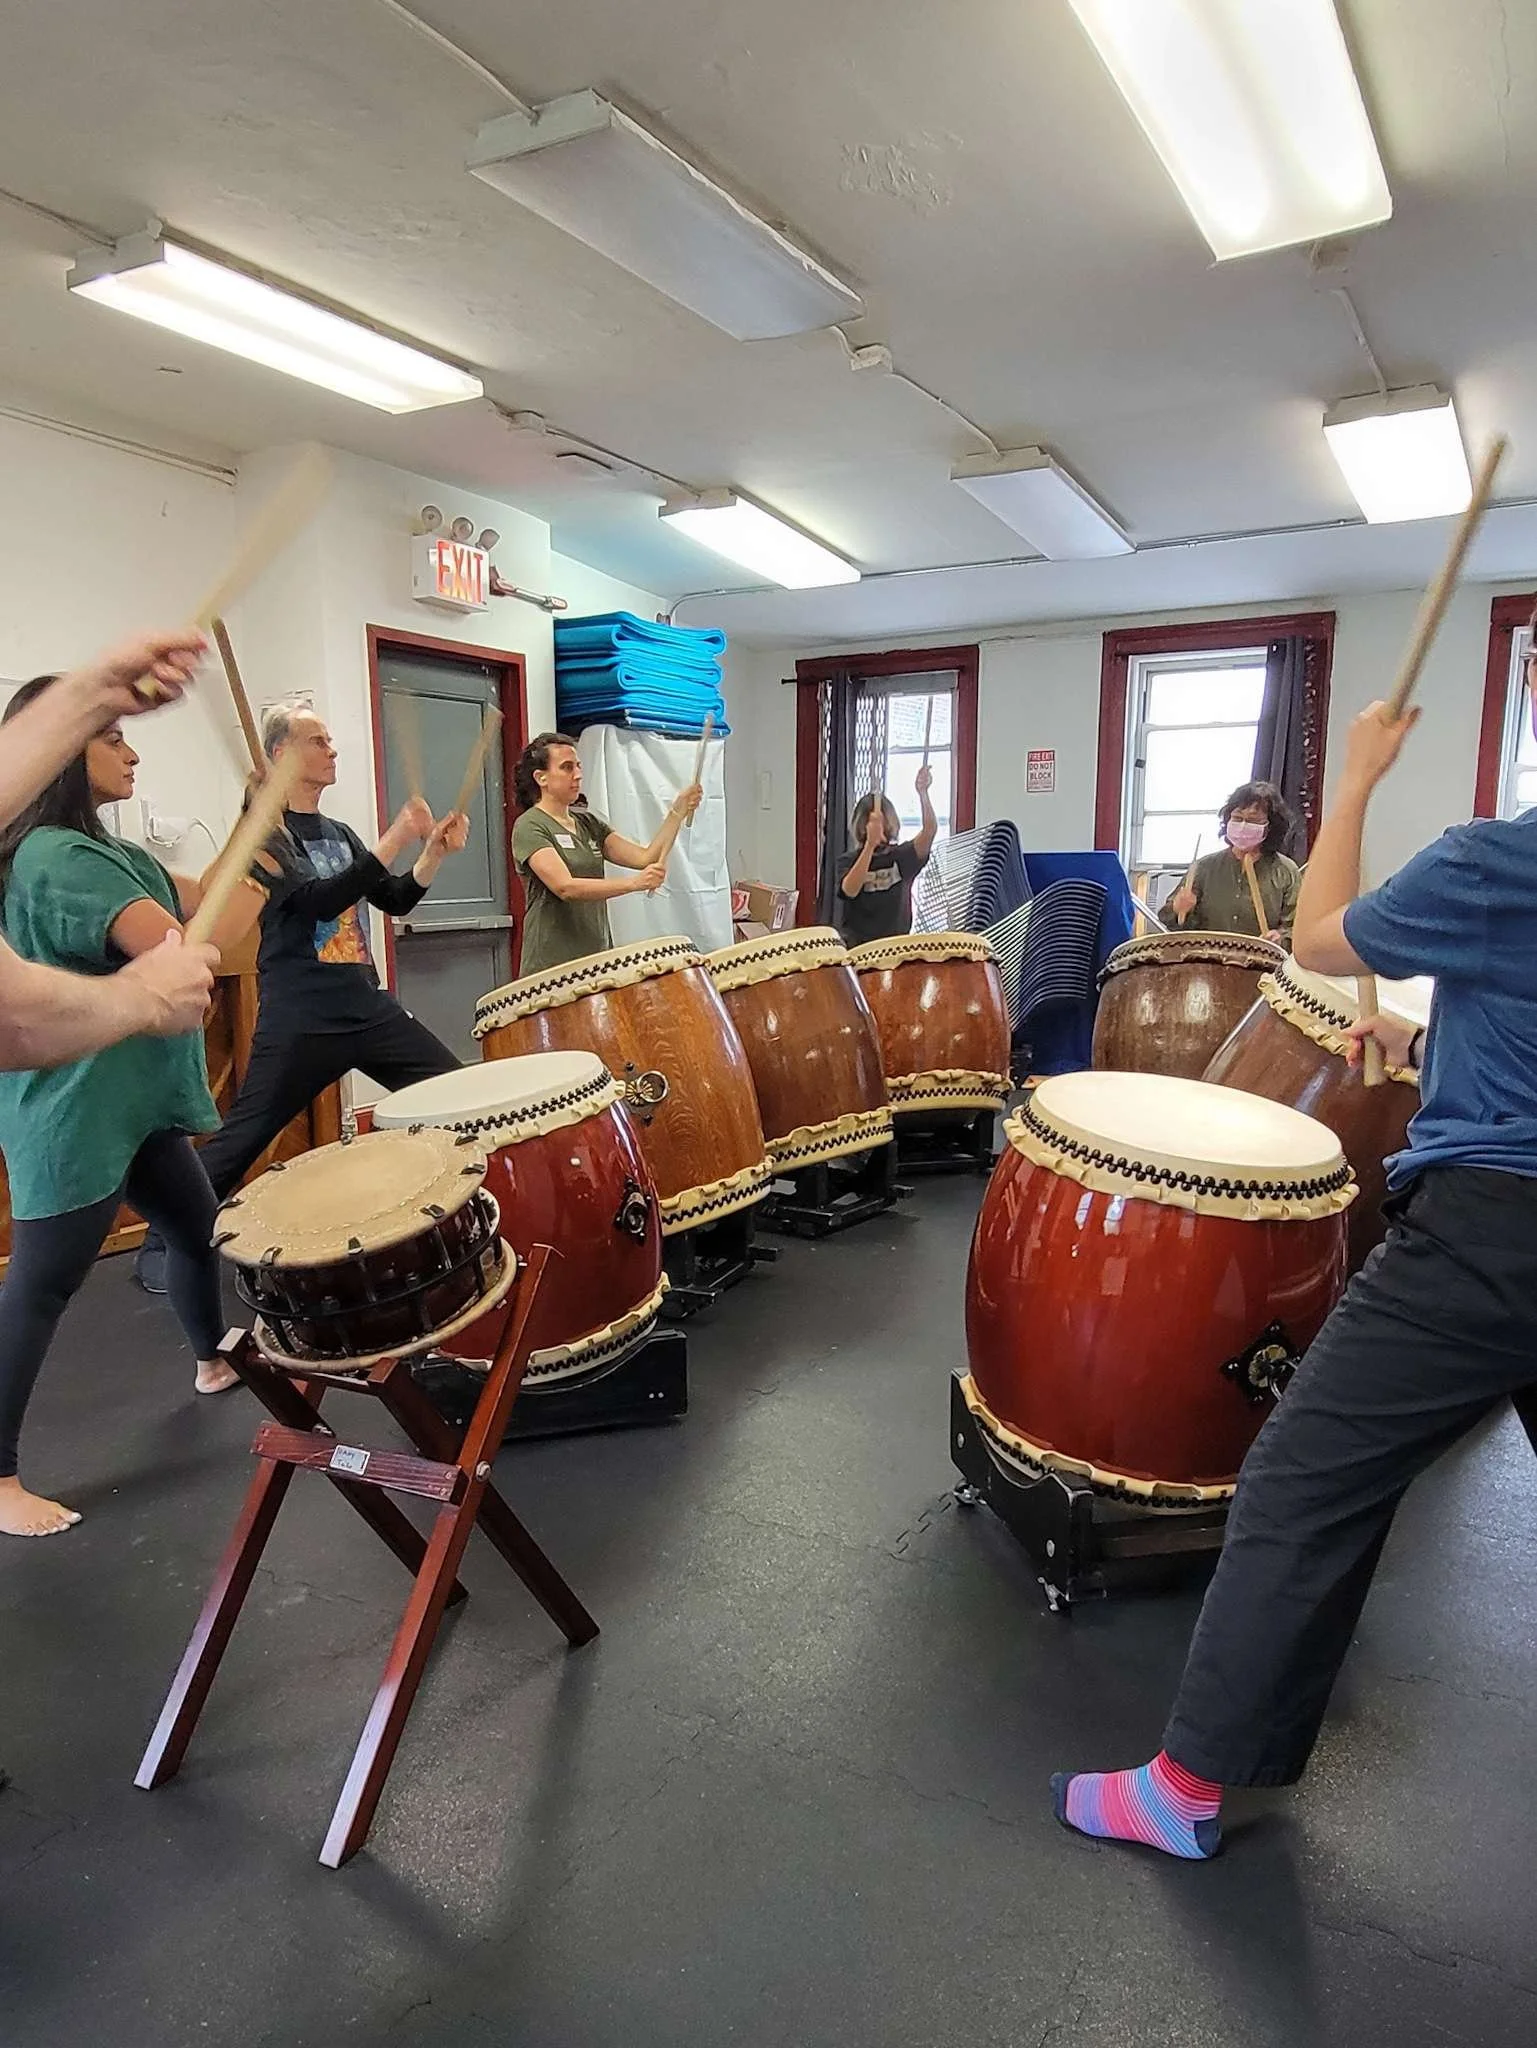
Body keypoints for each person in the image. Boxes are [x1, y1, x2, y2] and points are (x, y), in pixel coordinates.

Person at [1052, 668, 1537, 1860]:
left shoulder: (1498, 860)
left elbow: (1318, 938)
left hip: (1491, 1233)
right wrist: (1427, 1038)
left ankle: (1186, 1785)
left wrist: (1358, 783)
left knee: (1300, 1480)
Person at [0, 676, 268, 1537]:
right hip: (75, 1106)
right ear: (62, 749)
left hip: (134, 1099)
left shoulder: (113, 854)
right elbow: (184, 951)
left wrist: (262, 813)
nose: (132, 750)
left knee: (193, 1225)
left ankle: (212, 1362)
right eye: (112, 736)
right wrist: (205, 927)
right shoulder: (55, 857)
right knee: (42, 1286)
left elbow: (236, 907)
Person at [135, 704, 469, 1294]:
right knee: (244, 1136)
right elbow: (317, 901)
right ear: (283, 756)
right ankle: (164, 1237)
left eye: (331, 739)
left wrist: (432, 853)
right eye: (319, 740)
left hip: (365, 1006)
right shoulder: (268, 837)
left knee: (454, 1094)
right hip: (302, 1016)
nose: (333, 749)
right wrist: (396, 834)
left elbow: (392, 898)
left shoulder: (337, 833)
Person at [510, 732, 700, 975]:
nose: (578, 774)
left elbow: (646, 857)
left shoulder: (588, 822)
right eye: (567, 768)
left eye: (578, 766)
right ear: (541, 778)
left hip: (595, 958)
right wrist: (634, 884)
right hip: (551, 964)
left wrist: (677, 811)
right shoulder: (530, 825)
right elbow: (565, 887)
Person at [1165, 780, 1301, 942]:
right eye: (1237, 818)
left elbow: (1299, 928)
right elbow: (1174, 925)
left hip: (1262, 963)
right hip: (1208, 959)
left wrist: (1280, 937)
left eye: (1253, 820)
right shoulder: (1204, 867)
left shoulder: (1286, 871)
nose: (1243, 825)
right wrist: (1178, 910)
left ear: (1270, 826)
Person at [836, 766, 937, 944]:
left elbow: (929, 831)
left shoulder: (902, 856)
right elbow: (849, 890)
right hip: (859, 950)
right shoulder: (848, 861)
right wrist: (869, 846)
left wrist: (923, 793)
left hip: (896, 947)